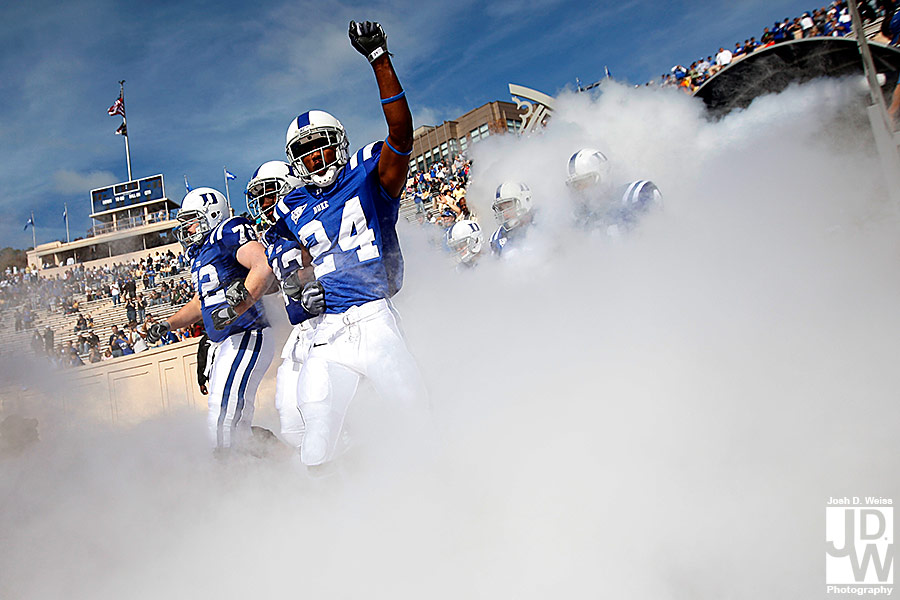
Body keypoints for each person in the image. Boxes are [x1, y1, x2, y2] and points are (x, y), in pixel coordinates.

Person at [270, 20, 428, 467]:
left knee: (416, 420)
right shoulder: (292, 205)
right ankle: (344, 504)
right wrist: (297, 282)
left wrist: (379, 60)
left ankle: (444, 493)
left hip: (375, 320)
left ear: (339, 144)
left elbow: (401, 135)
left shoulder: (366, 173)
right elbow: (281, 252)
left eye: (321, 147)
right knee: (314, 445)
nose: (315, 158)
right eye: (305, 153)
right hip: (328, 333)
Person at [146, 187, 276, 451]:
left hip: (246, 332)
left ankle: (227, 470)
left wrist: (238, 305)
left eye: (192, 221)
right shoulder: (201, 254)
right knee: (230, 419)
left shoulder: (226, 232)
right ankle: (282, 459)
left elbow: (262, 262)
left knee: (224, 416)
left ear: (212, 214)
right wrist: (168, 324)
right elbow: (199, 303)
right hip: (225, 341)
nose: (187, 228)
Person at [246, 159, 319, 452]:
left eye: (269, 194)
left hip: (330, 321)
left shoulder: (311, 217)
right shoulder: (274, 237)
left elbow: (328, 259)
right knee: (290, 417)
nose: (263, 203)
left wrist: (300, 278)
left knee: (325, 409)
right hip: (302, 329)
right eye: (260, 197)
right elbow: (279, 280)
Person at [565, 148, 662, 235]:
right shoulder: (579, 219)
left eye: (585, 182)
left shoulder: (636, 195)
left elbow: (656, 235)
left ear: (602, 175)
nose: (581, 189)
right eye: (576, 185)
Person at [489, 181, 535, 256]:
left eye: (508, 207)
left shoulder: (543, 223)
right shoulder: (498, 237)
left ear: (525, 201)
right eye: (501, 209)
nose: (505, 214)